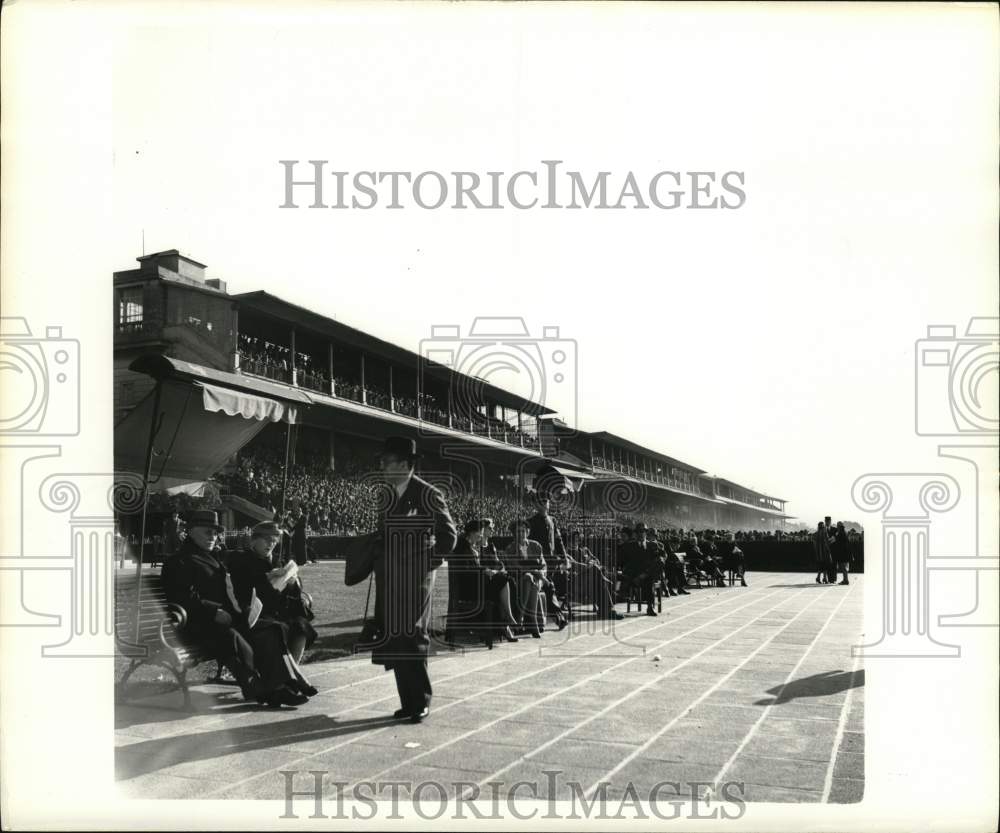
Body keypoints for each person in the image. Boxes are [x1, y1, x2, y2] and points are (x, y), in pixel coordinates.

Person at [344, 436, 457, 724]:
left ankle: (420, 701)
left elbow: (448, 536)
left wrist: (425, 565)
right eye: (382, 462)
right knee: (396, 638)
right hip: (390, 579)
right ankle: (408, 702)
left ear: (406, 464)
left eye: (387, 462)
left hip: (416, 580)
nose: (382, 466)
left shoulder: (428, 494)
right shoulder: (388, 495)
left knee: (413, 636)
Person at [161, 510, 309, 707]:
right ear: (191, 532)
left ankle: (280, 685)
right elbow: (181, 598)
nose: (213, 537)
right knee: (234, 638)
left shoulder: (211, 557)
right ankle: (265, 690)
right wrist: (214, 611)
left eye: (215, 533)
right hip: (196, 625)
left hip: (222, 620)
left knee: (270, 628)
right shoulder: (179, 561)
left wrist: (242, 611)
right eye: (207, 532)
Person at [228, 521, 318, 670]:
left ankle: (293, 670)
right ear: (254, 540)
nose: (271, 544)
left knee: (302, 626)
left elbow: (291, 593)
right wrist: (267, 576)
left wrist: (292, 584)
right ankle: (285, 673)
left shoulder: (277, 560)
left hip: (278, 608)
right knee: (279, 629)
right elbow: (242, 586)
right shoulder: (241, 558)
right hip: (256, 611)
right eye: (267, 540)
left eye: (275, 541)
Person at [527, 493, 569, 629]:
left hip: (552, 561)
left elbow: (558, 541)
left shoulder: (553, 520)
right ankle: (558, 616)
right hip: (539, 562)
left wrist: (564, 557)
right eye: (541, 502)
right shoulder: (531, 522)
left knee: (552, 586)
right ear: (535, 505)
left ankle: (558, 616)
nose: (545, 504)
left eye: (546, 502)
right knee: (549, 586)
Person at [477, 518, 520, 642]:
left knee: (510, 581)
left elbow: (498, 562)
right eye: (490, 528)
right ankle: (508, 620)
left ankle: (506, 622)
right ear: (483, 529)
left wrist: (501, 568)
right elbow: (479, 566)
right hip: (485, 581)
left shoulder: (491, 545)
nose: (492, 530)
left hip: (496, 577)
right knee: (504, 581)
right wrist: (495, 571)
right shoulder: (477, 546)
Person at [504, 519, 547, 637]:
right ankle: (533, 622)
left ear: (528, 532)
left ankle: (520, 618)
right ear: (514, 533)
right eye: (518, 531)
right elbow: (514, 567)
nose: (521, 534)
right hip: (518, 579)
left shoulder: (536, 546)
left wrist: (541, 573)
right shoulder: (510, 549)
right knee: (528, 578)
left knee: (531, 580)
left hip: (538, 579)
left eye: (523, 531)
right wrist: (532, 571)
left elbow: (543, 565)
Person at [620, 522, 659, 616]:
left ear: (646, 533)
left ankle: (650, 607)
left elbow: (656, 562)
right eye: (639, 531)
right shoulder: (629, 546)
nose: (641, 534)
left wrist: (644, 575)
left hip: (646, 576)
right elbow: (623, 563)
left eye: (643, 531)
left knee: (650, 577)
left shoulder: (652, 546)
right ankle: (622, 596)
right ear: (635, 533)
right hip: (633, 576)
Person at [832, 521, 850, 585]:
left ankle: (846, 580)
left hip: (843, 553)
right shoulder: (844, 532)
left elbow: (838, 541)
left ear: (839, 526)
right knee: (845, 567)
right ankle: (845, 579)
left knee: (843, 567)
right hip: (845, 552)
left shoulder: (841, 533)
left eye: (837, 526)